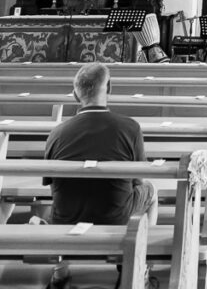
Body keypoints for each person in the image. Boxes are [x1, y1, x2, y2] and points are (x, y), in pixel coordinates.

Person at [43, 62, 158, 288]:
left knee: (52, 204)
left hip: (67, 216)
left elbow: (51, 184)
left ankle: (60, 273)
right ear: (110, 88)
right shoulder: (130, 128)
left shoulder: (56, 133)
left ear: (76, 95)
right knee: (152, 192)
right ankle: (136, 266)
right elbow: (139, 181)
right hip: (116, 215)